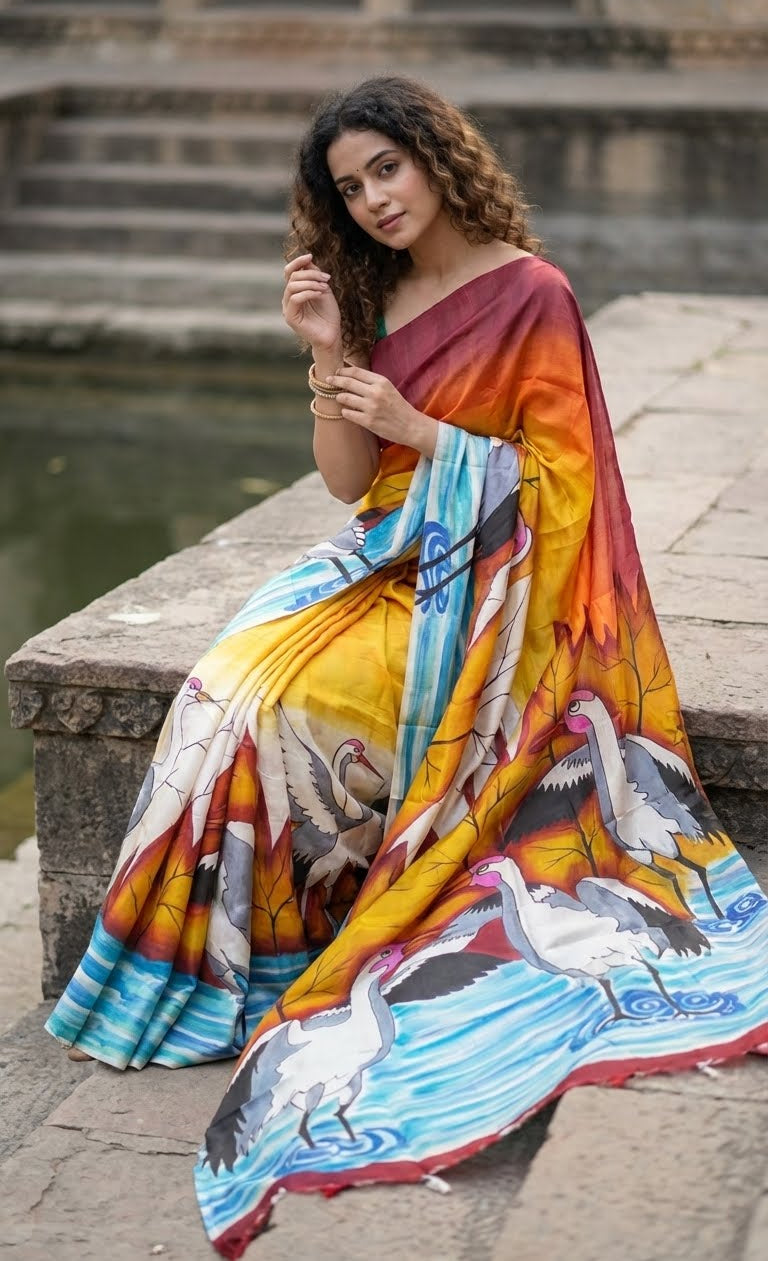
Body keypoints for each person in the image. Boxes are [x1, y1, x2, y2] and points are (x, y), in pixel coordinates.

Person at [46, 77, 768, 1257]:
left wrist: (429, 435)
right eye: (350, 187)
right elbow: (344, 481)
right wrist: (328, 354)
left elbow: (564, 490)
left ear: (437, 158)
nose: (374, 200)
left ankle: (284, 953)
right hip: (382, 560)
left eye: (388, 169)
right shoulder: (370, 296)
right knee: (222, 696)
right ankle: (219, 972)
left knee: (289, 715)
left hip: (495, 595)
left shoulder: (531, 294)